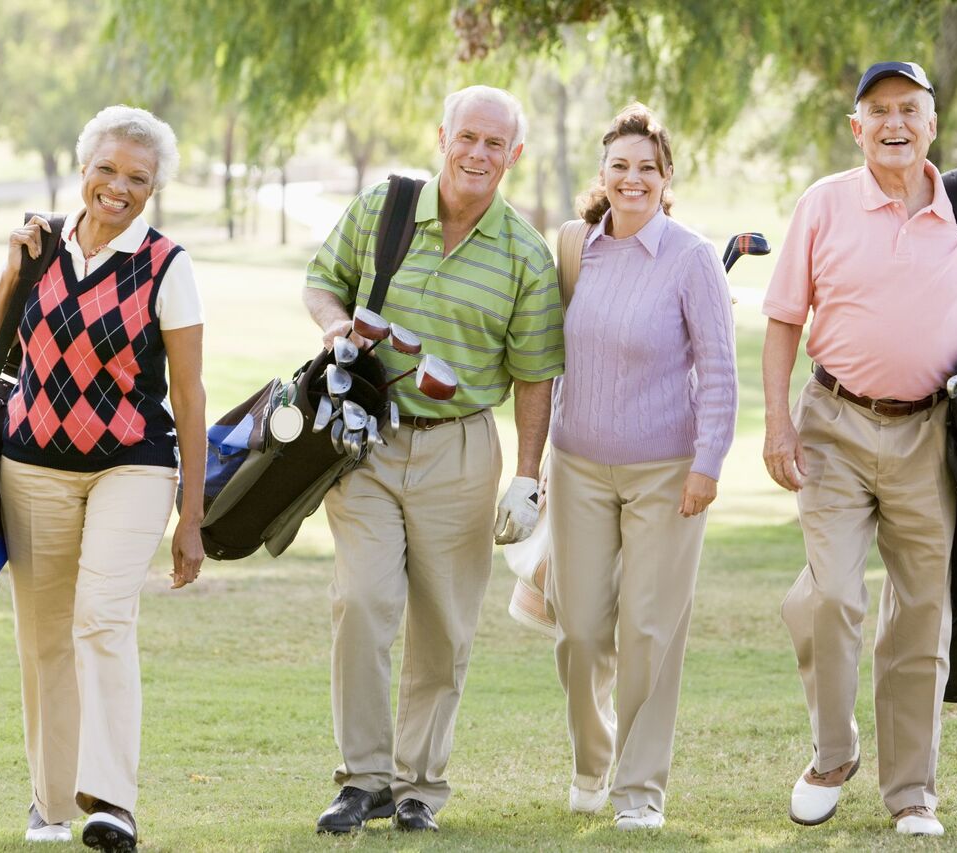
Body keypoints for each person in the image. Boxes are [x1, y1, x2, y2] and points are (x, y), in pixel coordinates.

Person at [760, 61, 957, 838]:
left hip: (930, 432)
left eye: (909, 109)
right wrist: (777, 425)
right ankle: (832, 752)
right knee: (833, 596)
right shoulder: (823, 204)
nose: (894, 123)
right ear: (857, 128)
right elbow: (782, 320)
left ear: (932, 123)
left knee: (921, 613)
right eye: (877, 111)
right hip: (833, 425)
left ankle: (911, 790)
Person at [302, 84, 564, 834]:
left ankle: (419, 786)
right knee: (362, 601)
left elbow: (535, 373)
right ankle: (363, 779)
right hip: (366, 438)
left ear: (514, 156)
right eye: (467, 137)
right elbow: (322, 284)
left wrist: (525, 476)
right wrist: (333, 329)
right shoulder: (385, 208)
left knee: (444, 623)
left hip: (461, 445)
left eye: (495, 144)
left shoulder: (524, 253)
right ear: (442, 135)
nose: (477, 154)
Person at [0, 105, 206, 851]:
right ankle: (51, 802)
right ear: (83, 168)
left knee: (101, 617)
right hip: (31, 464)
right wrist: (13, 265)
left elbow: (192, 397)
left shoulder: (168, 265)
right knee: (43, 640)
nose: (118, 187)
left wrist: (191, 516)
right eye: (106, 169)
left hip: (132, 463)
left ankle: (112, 801)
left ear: (154, 187)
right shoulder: (38, 248)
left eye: (137, 178)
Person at [545, 103, 738, 832]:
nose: (633, 178)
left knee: (650, 630)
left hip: (668, 470)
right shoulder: (575, 248)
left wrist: (708, 464)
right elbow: (544, 357)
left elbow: (719, 372)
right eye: (620, 166)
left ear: (666, 180)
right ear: (603, 174)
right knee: (582, 630)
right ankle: (591, 764)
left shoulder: (691, 258)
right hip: (578, 468)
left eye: (647, 168)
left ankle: (639, 787)